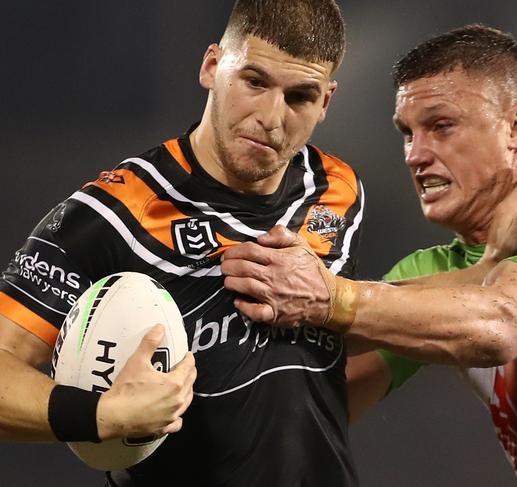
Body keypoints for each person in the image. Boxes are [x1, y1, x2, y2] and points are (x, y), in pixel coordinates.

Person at [220, 24, 517, 486]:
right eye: (408, 132)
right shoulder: (434, 270)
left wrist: (330, 299)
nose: (415, 155)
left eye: (442, 127)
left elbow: (503, 325)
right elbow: (319, 398)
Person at [0, 1, 366, 485]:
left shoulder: (336, 190)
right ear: (212, 66)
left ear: (325, 103)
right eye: (254, 82)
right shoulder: (111, 215)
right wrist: (103, 415)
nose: (272, 118)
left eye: (300, 96)